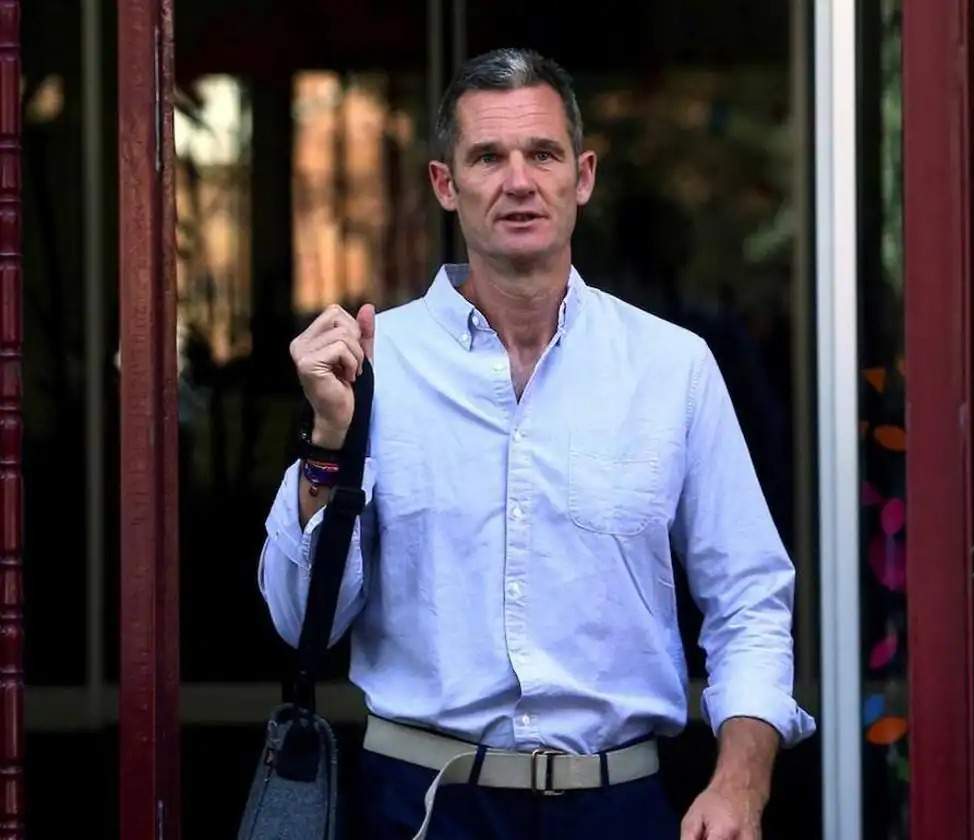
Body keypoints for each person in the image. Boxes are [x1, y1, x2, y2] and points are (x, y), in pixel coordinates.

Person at [259, 47, 814, 840]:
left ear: (582, 177)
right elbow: (297, 621)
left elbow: (749, 597)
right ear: (445, 184)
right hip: (421, 808)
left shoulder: (671, 367)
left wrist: (740, 785)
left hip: (618, 808)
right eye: (488, 156)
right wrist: (328, 441)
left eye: (543, 154)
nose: (518, 181)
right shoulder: (374, 362)